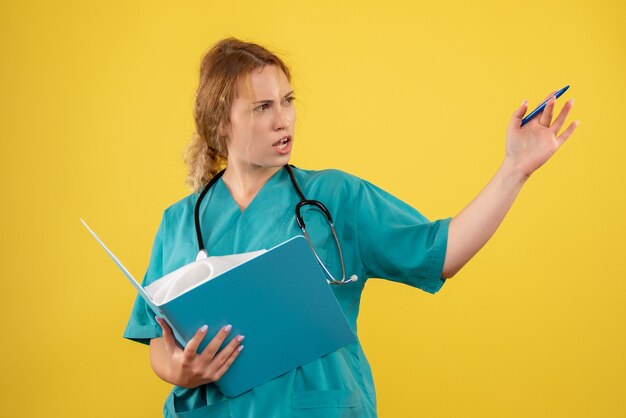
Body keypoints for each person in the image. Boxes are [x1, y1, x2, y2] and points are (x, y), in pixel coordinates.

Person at [123, 37, 579, 417]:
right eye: (262, 107)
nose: (283, 119)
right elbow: (156, 342)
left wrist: (514, 169)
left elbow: (442, 252)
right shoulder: (180, 221)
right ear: (220, 122)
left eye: (288, 101)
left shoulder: (336, 199)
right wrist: (180, 370)